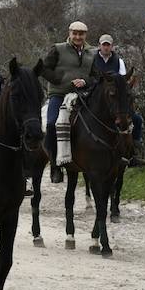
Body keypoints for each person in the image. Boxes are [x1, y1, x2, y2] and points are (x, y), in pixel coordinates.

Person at [40, 21, 95, 183]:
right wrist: (61, 79)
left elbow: (96, 76)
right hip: (59, 94)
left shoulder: (92, 52)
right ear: (69, 33)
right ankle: (55, 164)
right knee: (51, 124)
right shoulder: (57, 49)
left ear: (85, 35)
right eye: (75, 33)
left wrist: (85, 81)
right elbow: (44, 69)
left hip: (82, 95)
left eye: (81, 34)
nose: (78, 37)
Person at [92, 33, 145, 166]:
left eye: (108, 45)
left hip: (114, 97)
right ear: (99, 46)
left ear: (112, 47)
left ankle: (133, 151)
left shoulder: (118, 61)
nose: (105, 47)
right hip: (97, 95)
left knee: (136, 119)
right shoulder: (92, 59)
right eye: (103, 45)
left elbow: (122, 81)